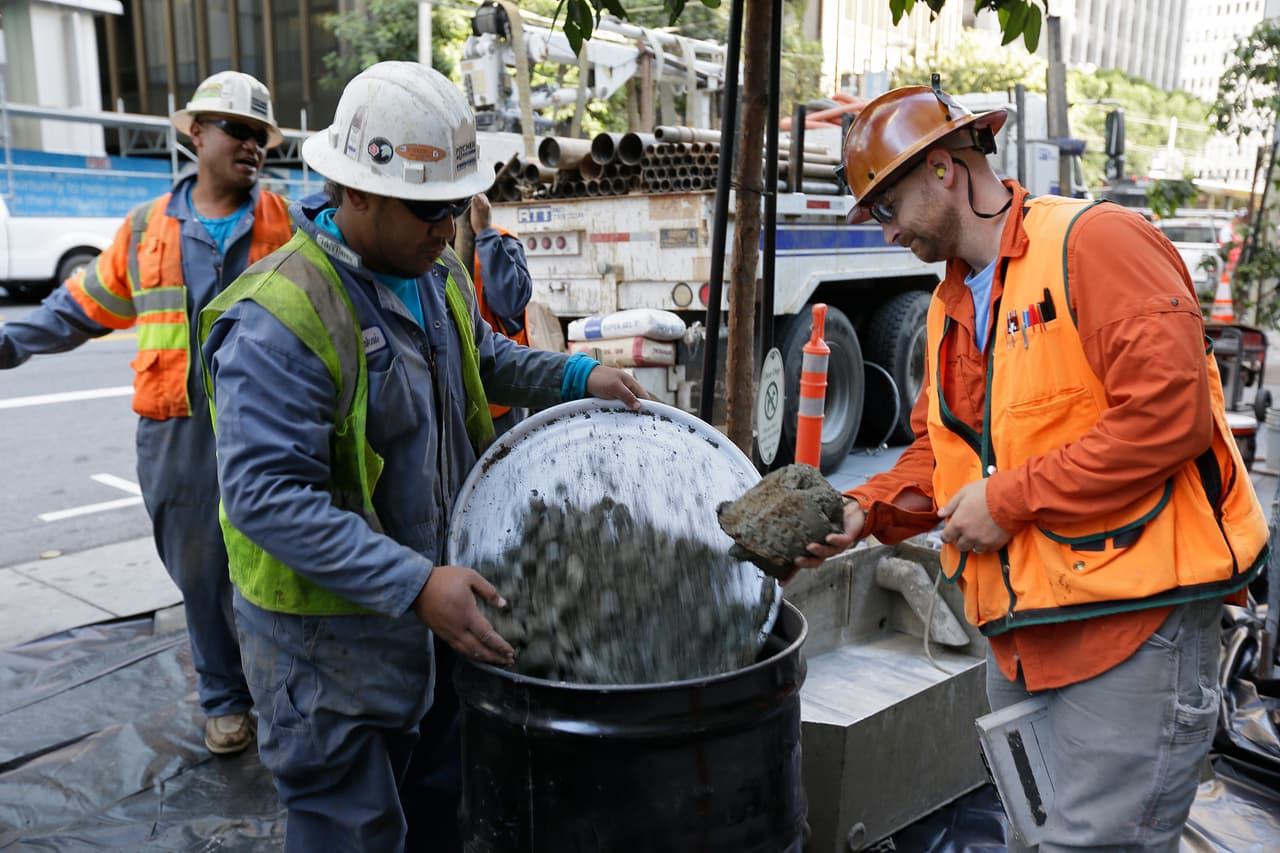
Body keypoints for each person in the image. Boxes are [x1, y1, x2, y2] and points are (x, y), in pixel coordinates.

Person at [802, 81, 1269, 851]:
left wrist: (1008, 499)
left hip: (1129, 637)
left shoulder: (1095, 243)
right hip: (1022, 645)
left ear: (944, 168)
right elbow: (948, 451)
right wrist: (866, 509)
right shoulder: (952, 306)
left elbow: (1169, 415)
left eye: (886, 205)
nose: (885, 230)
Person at [198, 60, 646, 852]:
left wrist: (580, 376)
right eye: (427, 208)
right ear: (356, 191)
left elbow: (483, 359)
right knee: (354, 831)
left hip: (433, 621)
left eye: (456, 205)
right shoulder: (279, 318)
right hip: (328, 654)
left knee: (442, 812)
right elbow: (268, 497)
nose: (447, 226)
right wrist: (415, 583)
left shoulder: (435, 273)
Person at [0, 70, 291, 755]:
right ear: (197, 134)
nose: (252, 145)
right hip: (177, 431)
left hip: (270, 421)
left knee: (283, 558)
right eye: (238, 130)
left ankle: (284, 692)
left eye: (261, 135)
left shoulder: (286, 222)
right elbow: (78, 309)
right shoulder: (145, 229)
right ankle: (226, 700)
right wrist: (8, 342)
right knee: (199, 572)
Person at [468, 191, 533, 434]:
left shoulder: (502, 242)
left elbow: (510, 302)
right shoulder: (431, 246)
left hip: (498, 392)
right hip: (456, 393)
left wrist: (485, 234)